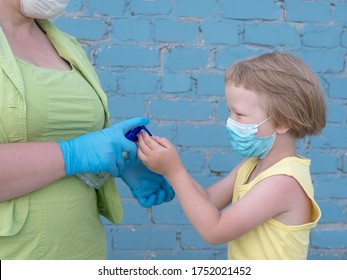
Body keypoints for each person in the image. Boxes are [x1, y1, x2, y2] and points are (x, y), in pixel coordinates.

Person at [0, 0, 174, 259]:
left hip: (83, 250)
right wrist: (73, 154)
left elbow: (74, 140)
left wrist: (119, 159)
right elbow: (75, 151)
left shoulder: (66, 44)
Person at [137, 52, 327, 260]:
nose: (230, 121)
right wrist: (166, 167)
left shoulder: (284, 182)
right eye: (230, 112)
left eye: (240, 114)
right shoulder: (253, 165)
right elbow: (208, 200)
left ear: (282, 123)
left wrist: (174, 171)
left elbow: (215, 230)